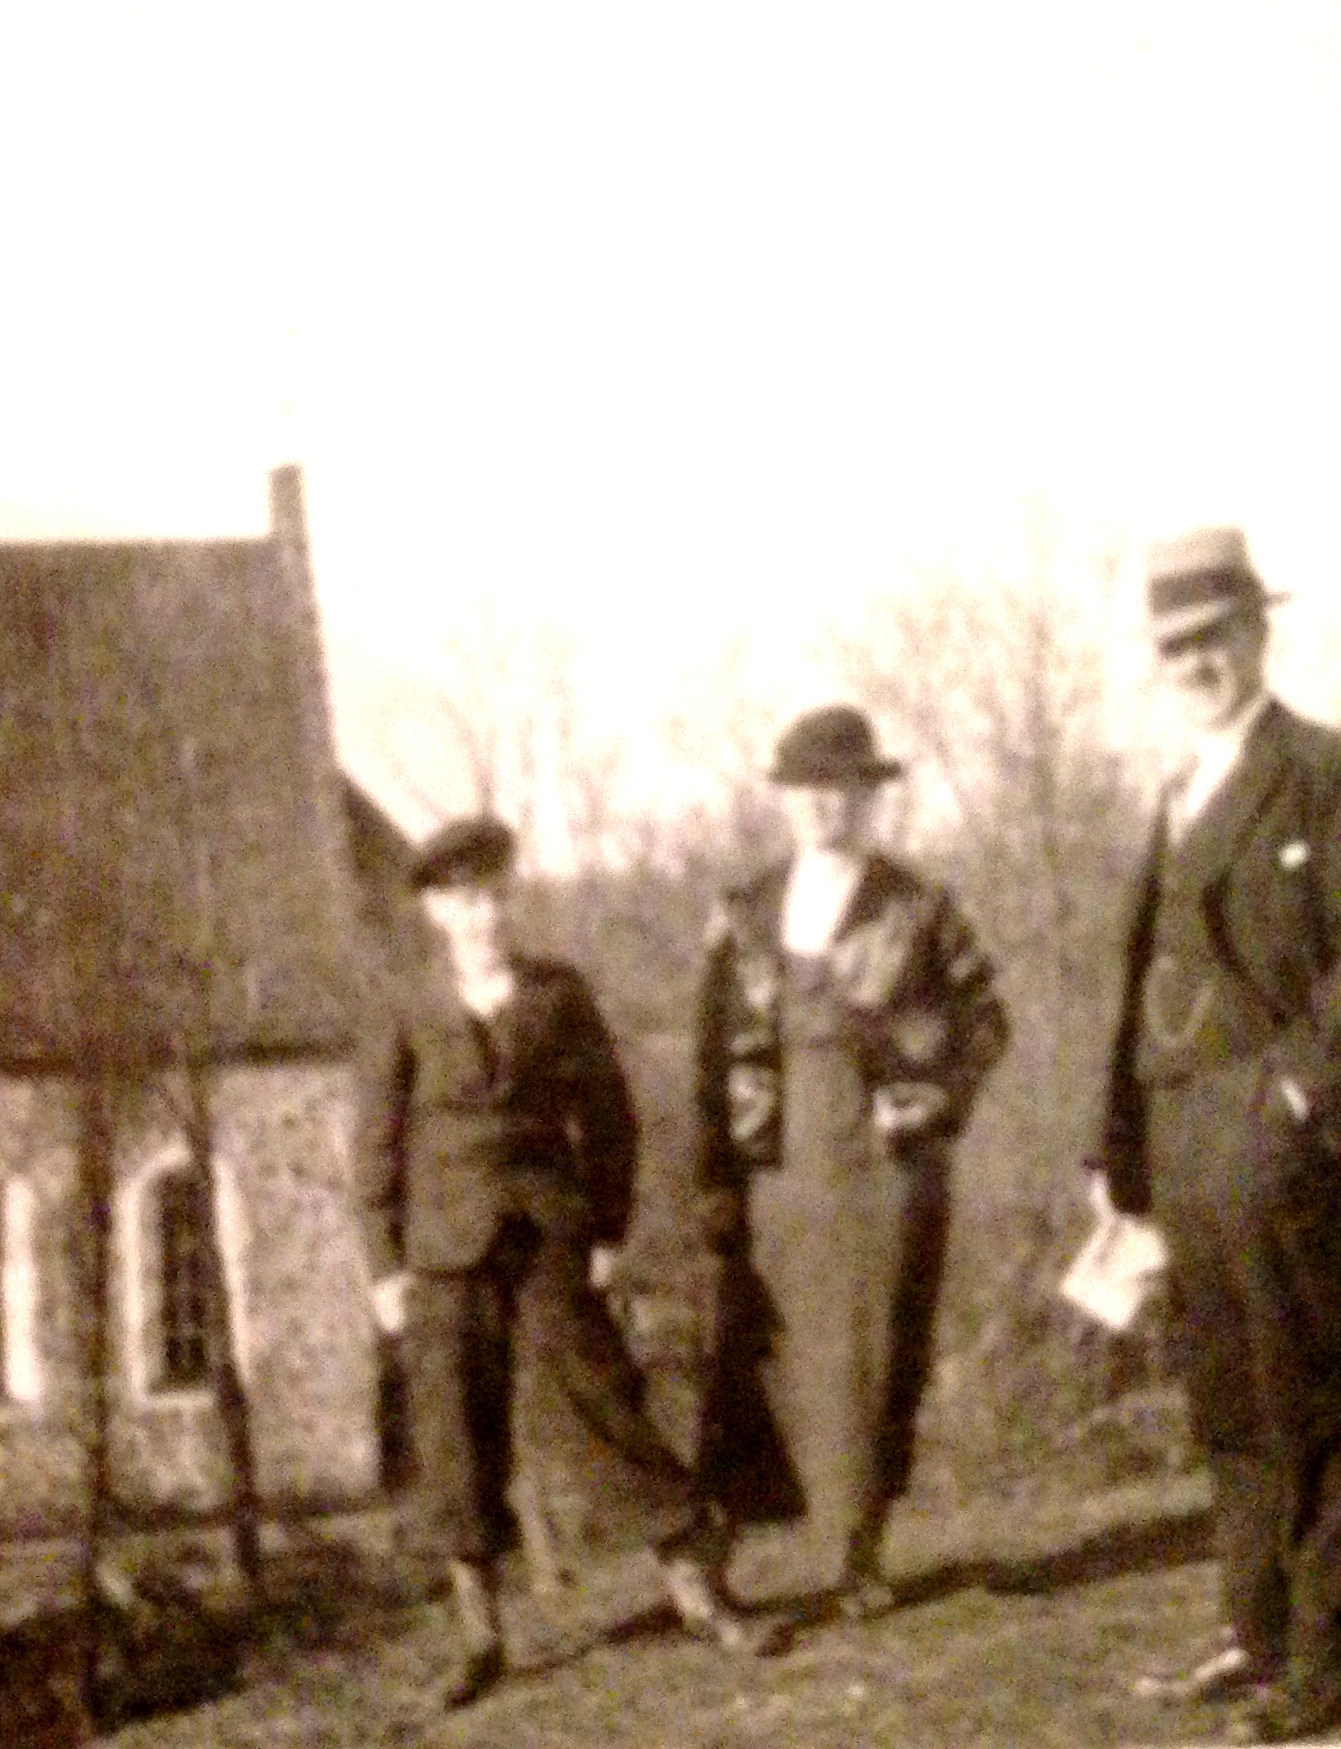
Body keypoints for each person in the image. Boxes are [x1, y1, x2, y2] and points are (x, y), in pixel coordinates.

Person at [1093, 526, 1341, 1744]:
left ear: (1256, 632)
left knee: (1306, 1388)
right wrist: (1111, 1153)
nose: (1195, 664)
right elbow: (1138, 981)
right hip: (1178, 1130)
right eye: (1172, 646)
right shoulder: (1174, 789)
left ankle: (1324, 1655)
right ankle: (1258, 1630)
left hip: (1275, 1127)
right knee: (1227, 1399)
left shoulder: (1330, 774)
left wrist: (1295, 1094)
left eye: (1214, 638)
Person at [352, 814, 775, 1712]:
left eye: (496, 896)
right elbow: (376, 1147)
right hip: (443, 1252)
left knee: (603, 1402)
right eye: (466, 901)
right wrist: (384, 1268)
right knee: (454, 1431)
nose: (486, 915)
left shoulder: (559, 994)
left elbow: (611, 1119)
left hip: (549, 1237)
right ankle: (479, 1636)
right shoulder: (402, 1002)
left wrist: (608, 1233)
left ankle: (699, 1593)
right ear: (436, 912)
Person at [692, 704, 1009, 1618]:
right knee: (770, 1350)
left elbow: (986, 1022)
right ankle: (731, 1547)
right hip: (776, 1160)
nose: (823, 806)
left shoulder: (919, 906)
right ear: (784, 800)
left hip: (880, 1168)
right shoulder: (744, 910)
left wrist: (933, 1094)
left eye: (841, 789)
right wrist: (713, 1178)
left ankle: (856, 1555)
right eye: (806, 790)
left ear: (869, 797)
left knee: (868, 1355)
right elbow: (711, 1053)